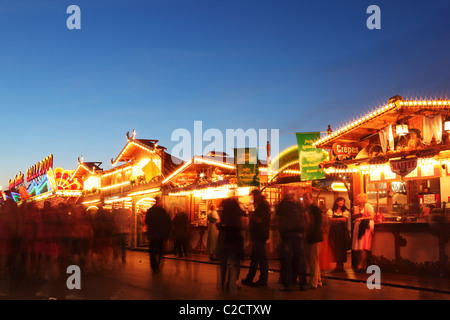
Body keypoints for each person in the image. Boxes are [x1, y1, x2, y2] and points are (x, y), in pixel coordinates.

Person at [276, 189, 307, 291]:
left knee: (287, 260)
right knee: (300, 260)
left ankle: (288, 284)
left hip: (287, 234)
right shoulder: (298, 205)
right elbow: (304, 218)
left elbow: (276, 219)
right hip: (299, 234)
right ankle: (302, 284)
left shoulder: (282, 205)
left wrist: (278, 233)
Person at [241, 189, 271, 287]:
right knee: (255, 258)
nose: (252, 198)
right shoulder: (262, 205)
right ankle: (250, 278)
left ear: (257, 196)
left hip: (259, 234)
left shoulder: (262, 205)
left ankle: (263, 279)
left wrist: (251, 215)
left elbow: (258, 219)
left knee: (261, 258)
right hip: (258, 234)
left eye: (253, 196)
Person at [217, 196, 244, 292]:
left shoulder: (224, 216)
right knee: (234, 262)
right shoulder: (237, 215)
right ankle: (231, 282)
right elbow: (242, 223)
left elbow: (220, 225)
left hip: (225, 239)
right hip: (235, 239)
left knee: (224, 261)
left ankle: (222, 281)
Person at [145, 196, 171, 274]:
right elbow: (168, 223)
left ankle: (153, 266)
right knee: (160, 251)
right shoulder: (163, 211)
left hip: (152, 234)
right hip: (160, 235)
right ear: (158, 202)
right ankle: (158, 264)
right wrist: (167, 234)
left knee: (152, 251)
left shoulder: (150, 211)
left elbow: (146, 221)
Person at [304, 192, 323, 289]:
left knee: (313, 261)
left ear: (311, 199)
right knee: (313, 260)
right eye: (304, 198)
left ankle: (313, 282)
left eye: (306, 198)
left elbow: (317, 224)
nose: (305, 200)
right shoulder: (307, 209)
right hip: (310, 237)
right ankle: (318, 280)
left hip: (315, 237)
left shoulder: (315, 210)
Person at [352, 193, 375, 272]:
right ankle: (363, 264)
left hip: (364, 227)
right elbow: (356, 216)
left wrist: (361, 218)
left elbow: (372, 216)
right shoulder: (357, 207)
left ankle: (360, 264)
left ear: (363, 198)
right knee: (358, 247)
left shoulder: (367, 206)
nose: (357, 199)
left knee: (363, 247)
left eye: (358, 198)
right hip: (358, 227)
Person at [327, 197, 351, 272]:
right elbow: (330, 220)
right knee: (335, 248)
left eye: (343, 201)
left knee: (341, 248)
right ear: (337, 202)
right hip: (334, 232)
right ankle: (337, 264)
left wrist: (335, 220)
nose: (342, 202)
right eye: (341, 201)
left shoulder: (345, 211)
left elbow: (344, 219)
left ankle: (341, 264)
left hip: (342, 232)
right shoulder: (331, 210)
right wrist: (340, 219)